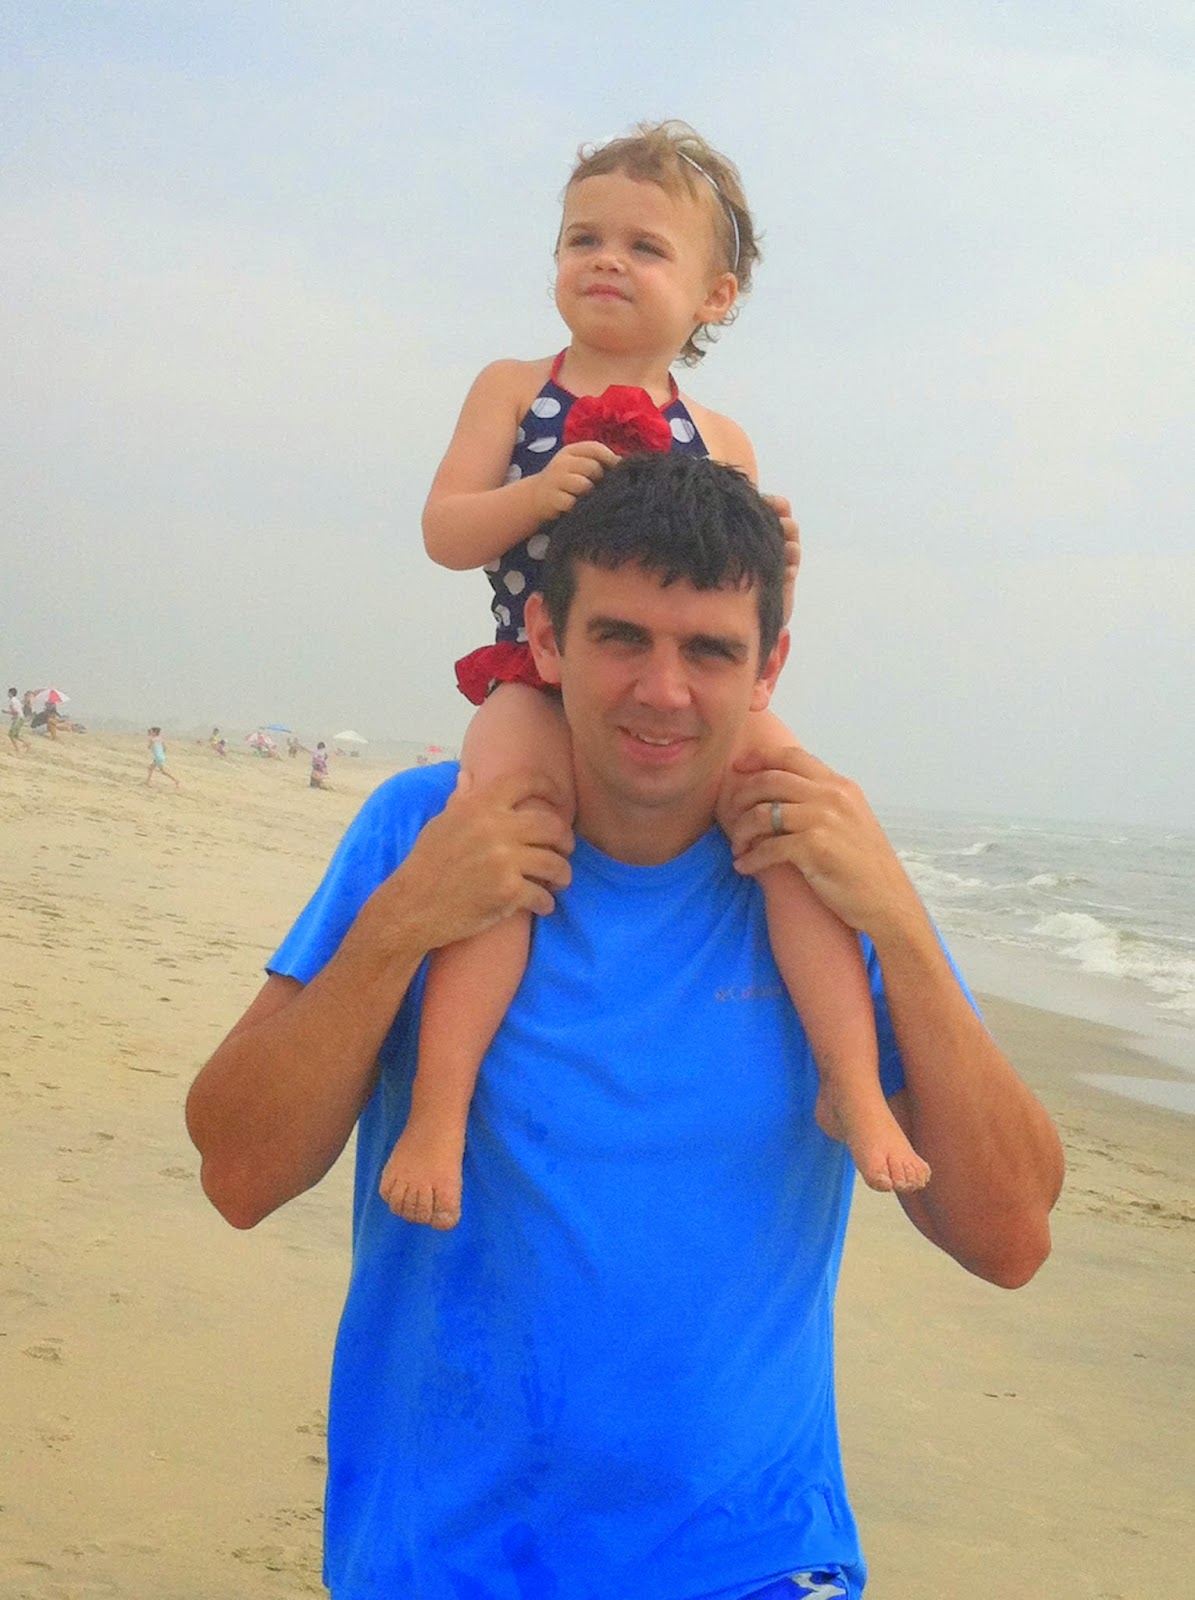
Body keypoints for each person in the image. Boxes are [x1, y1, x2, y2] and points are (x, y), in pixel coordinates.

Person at [186, 453, 1064, 1600]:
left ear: (768, 668)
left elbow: (1010, 1237)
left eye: (710, 650)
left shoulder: (821, 879)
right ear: (546, 639)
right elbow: (239, 1172)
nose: (663, 690)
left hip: (754, 1556)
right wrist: (404, 921)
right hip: (448, 1558)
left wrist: (897, 922)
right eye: (621, 638)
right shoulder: (427, 829)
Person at [381, 120, 928, 1234]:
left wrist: (780, 560)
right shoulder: (513, 387)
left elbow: (742, 604)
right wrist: (534, 496)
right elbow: (443, 529)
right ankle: (437, 1112)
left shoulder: (718, 435)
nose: (606, 261)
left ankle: (850, 1081)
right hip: (536, 673)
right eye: (582, 238)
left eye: (644, 247)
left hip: (671, 686)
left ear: (714, 297)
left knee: (792, 815)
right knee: (506, 835)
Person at [7, 688, 30, 754]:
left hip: (18, 719)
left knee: (11, 735)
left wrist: (6, 712)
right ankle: (25, 744)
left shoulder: (12, 701)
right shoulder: (15, 700)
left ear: (11, 693)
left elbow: (16, 712)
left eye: (8, 693)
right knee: (13, 735)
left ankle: (18, 748)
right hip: (19, 718)